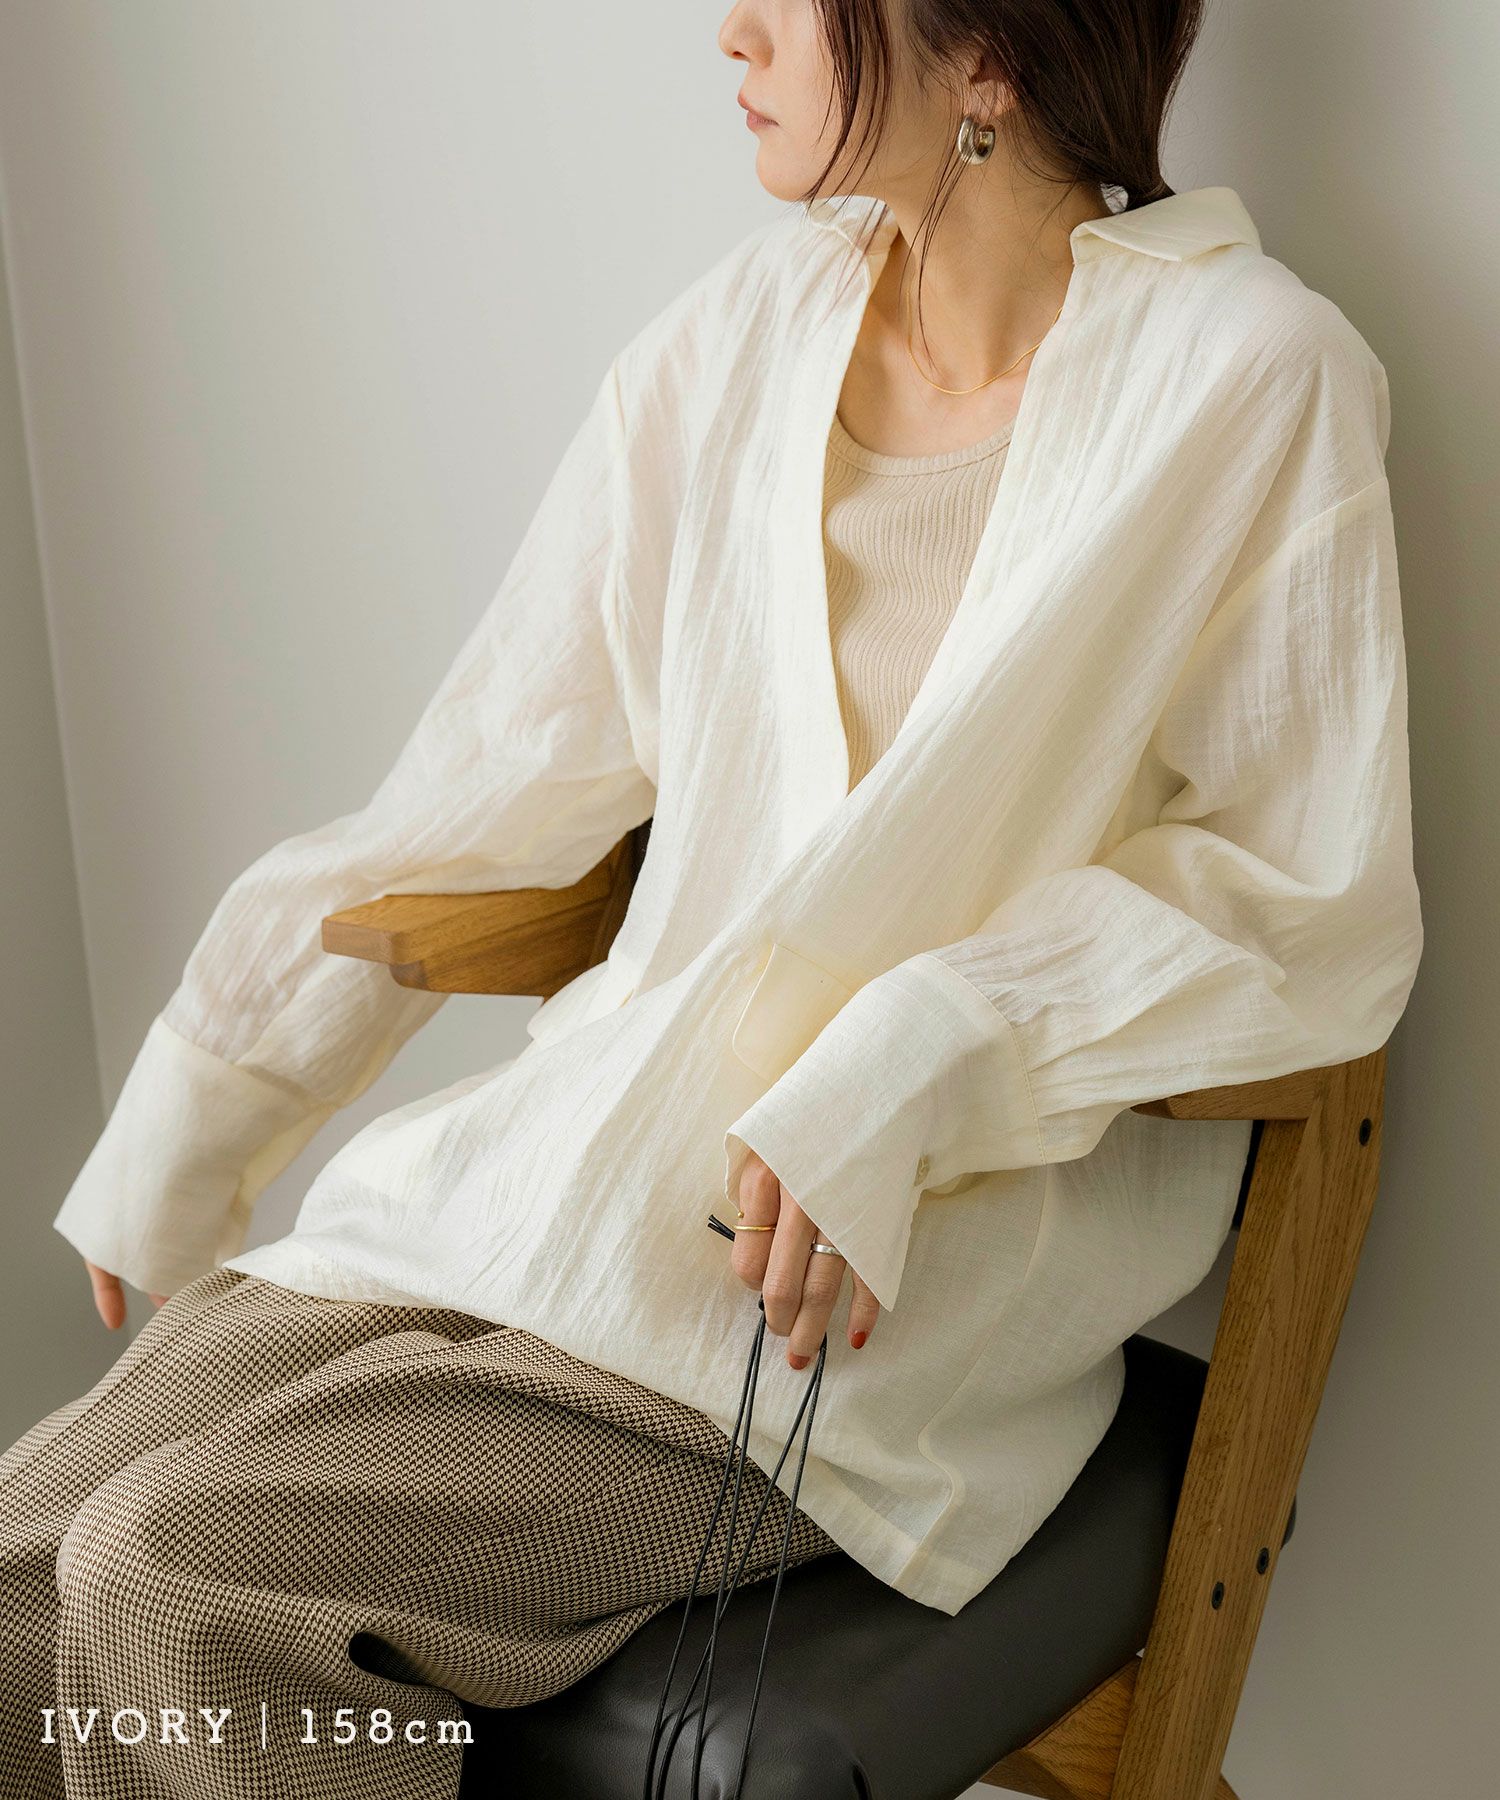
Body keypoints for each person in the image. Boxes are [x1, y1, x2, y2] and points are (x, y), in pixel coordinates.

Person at [2, 0, 1423, 1795]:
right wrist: (209, 1097)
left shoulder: (1248, 378)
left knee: (174, 1586)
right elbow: (501, 772)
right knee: (17, 1598)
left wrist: (924, 1053)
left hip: (843, 1312)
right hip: (532, 1204)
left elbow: (1300, 903)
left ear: (986, 52)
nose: (732, 30)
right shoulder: (738, 339)